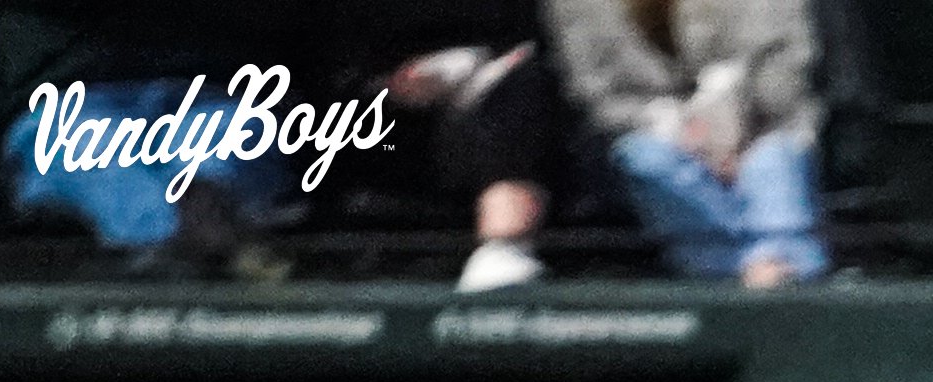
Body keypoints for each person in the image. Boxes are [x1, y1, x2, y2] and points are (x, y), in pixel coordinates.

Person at [547, 0, 826, 287]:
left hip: (759, 124)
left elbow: (784, 68)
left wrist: (727, 123)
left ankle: (787, 279)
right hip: (656, 133)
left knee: (773, 160)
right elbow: (595, 95)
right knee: (646, 158)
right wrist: (674, 126)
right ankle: (754, 271)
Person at [326, 2, 578, 291]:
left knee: (524, 91)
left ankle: (504, 250)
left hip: (500, 81)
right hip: (382, 100)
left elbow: (545, 34)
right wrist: (392, 80)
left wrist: (475, 64)